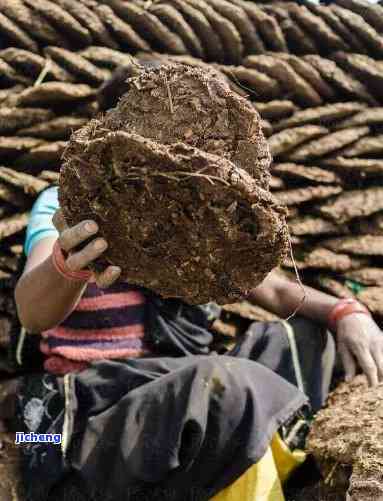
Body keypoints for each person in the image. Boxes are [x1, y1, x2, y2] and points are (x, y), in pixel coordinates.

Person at [13, 70, 383, 501]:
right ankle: (252, 447)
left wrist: (348, 313)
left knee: (308, 340)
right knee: (225, 384)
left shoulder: (198, 214)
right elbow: (32, 313)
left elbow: (278, 292)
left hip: (186, 398)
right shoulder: (64, 206)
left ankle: (244, 446)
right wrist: (68, 264)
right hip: (89, 414)